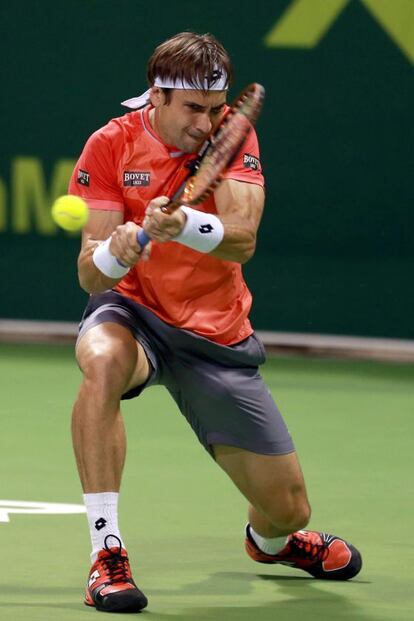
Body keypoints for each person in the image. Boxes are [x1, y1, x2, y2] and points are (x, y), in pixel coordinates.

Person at [69, 31, 362, 614]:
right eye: (193, 109)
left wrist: (184, 227)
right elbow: (90, 277)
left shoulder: (234, 135)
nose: (207, 123)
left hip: (214, 334)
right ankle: (107, 555)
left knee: (289, 508)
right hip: (135, 315)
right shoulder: (110, 143)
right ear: (157, 96)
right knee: (102, 361)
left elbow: (243, 241)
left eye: (215, 108)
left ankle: (273, 544)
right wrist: (117, 252)